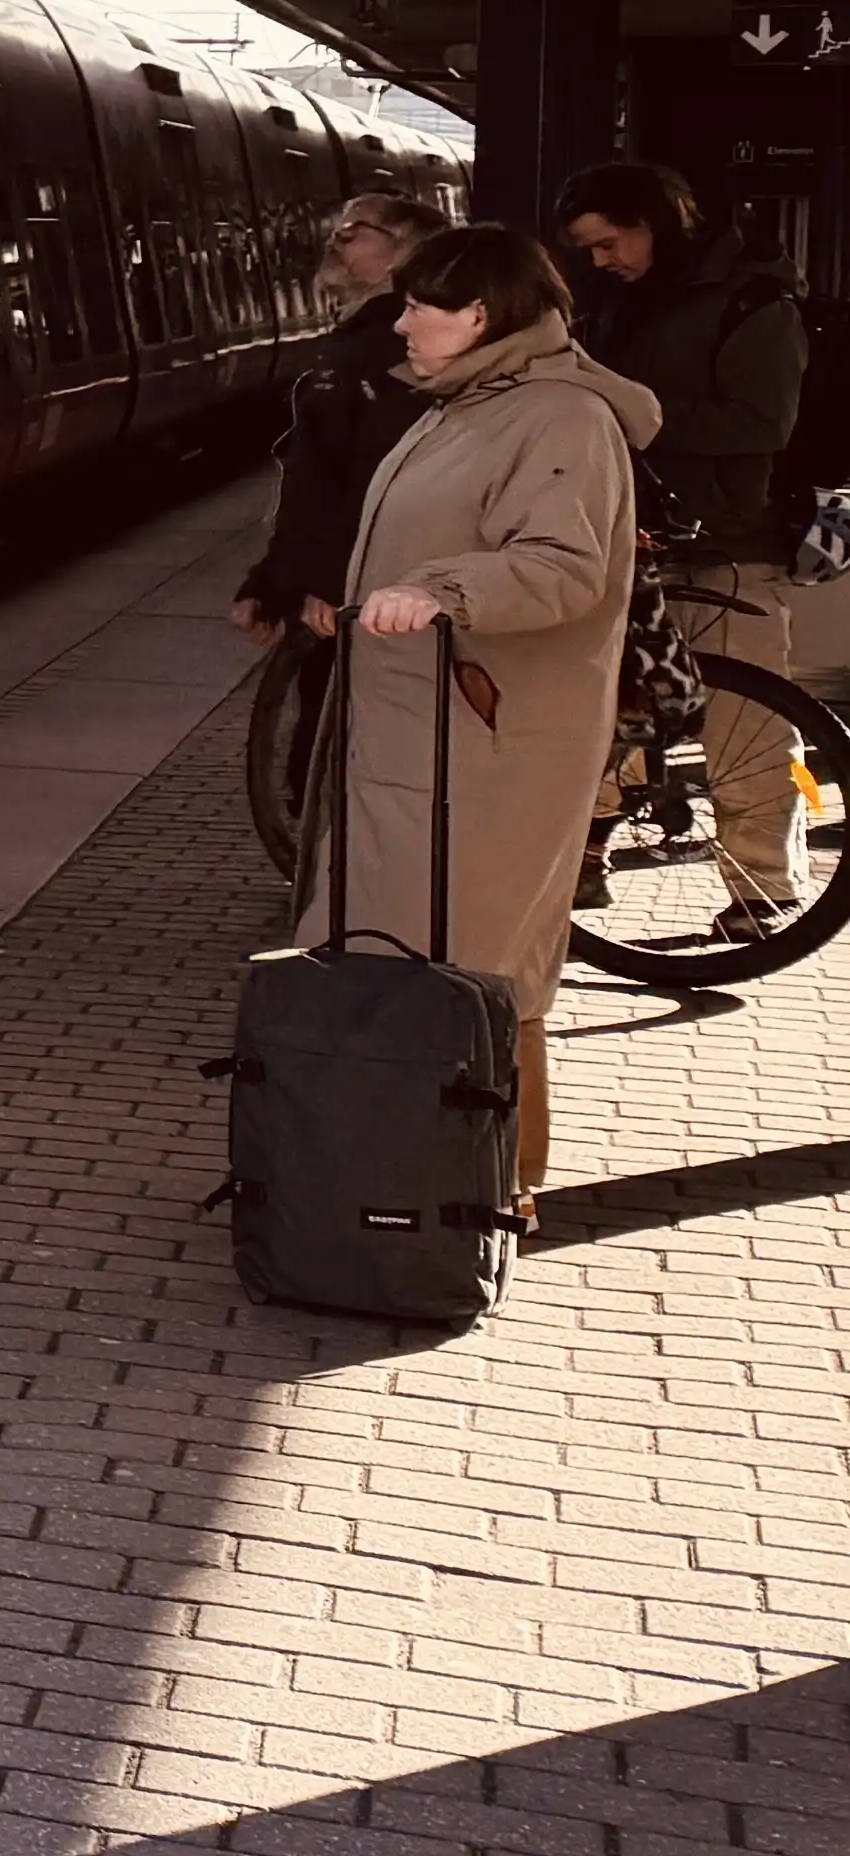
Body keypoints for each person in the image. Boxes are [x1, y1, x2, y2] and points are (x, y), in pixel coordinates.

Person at [327, 219, 658, 1204]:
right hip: (425, 729)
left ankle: (490, 1192)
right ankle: (398, 1178)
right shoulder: (470, 401)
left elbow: (560, 564)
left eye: (418, 307)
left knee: (481, 963)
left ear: (478, 315)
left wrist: (442, 591)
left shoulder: (559, 419)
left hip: (488, 742)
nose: (401, 326)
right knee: (411, 952)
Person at [554, 159, 810, 942]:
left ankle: (763, 892)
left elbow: (763, 423)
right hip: (635, 538)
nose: (601, 261)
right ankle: (582, 856)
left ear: (655, 221)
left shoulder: (753, 300)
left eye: (609, 243)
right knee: (607, 710)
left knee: (747, 726)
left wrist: (631, 413)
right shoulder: (618, 302)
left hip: (731, 543)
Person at [236, 188, 454, 643]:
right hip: (344, 585)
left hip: (358, 593)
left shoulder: (397, 346)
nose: (335, 240)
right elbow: (316, 473)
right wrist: (273, 579)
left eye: (355, 231)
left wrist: (333, 580)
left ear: (404, 253)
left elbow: (374, 472)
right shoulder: (359, 337)